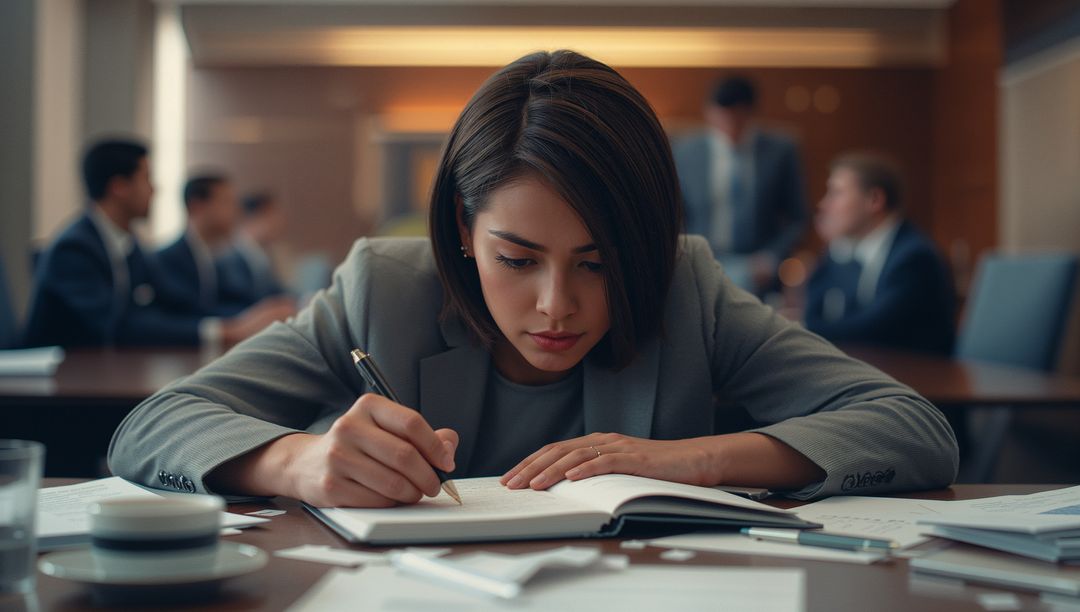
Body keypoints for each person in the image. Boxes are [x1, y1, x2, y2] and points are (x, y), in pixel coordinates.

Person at [109, 51, 957, 508]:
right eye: (516, 260)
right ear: (462, 230)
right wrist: (297, 462)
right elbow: (152, 428)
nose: (557, 305)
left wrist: (690, 461)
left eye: (599, 262)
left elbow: (914, 430)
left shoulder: (684, 286)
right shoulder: (384, 288)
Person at [23, 140, 292, 349]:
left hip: (99, 371)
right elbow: (117, 326)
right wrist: (222, 330)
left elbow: (177, 302)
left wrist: (243, 319)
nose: (154, 189)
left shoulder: (127, 243)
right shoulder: (74, 249)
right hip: (55, 385)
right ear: (119, 187)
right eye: (146, 178)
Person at [805, 152, 956, 355]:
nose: (823, 204)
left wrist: (799, 331)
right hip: (874, 363)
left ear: (874, 199)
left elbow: (870, 330)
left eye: (836, 193)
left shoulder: (915, 257)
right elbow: (816, 310)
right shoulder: (845, 250)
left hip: (919, 370)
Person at [672, 76, 808, 294]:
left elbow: (797, 217)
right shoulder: (686, 151)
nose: (728, 127)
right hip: (700, 263)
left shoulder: (780, 151)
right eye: (721, 118)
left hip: (757, 267)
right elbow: (676, 213)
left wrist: (771, 257)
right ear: (709, 112)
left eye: (735, 119)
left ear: (749, 114)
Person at [218, 192, 289, 305]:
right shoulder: (231, 258)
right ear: (253, 218)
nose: (279, 222)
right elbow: (242, 301)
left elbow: (277, 292)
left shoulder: (262, 254)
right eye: (272, 216)